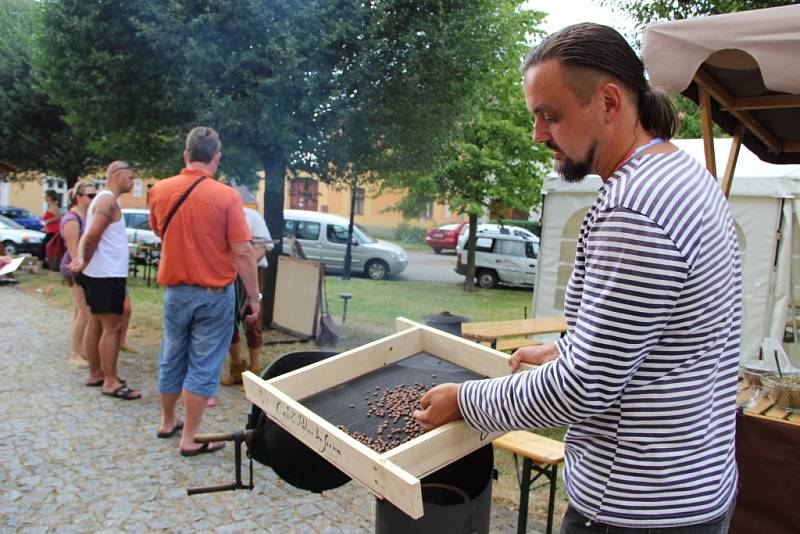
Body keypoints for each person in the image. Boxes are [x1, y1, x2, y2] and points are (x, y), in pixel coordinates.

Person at [414, 23, 742, 533]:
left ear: (609, 102)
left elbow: (583, 390)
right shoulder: (683, 175)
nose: (539, 134)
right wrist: (568, 350)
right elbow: (663, 340)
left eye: (551, 115)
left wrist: (466, 401)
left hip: (635, 509)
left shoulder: (634, 209)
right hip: (694, 489)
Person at [149, 126, 260, 456]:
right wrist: (254, 298)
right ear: (217, 158)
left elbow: (160, 232)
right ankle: (190, 439)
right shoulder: (227, 196)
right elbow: (242, 251)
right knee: (203, 363)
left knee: (172, 355)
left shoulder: (159, 190)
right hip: (214, 293)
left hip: (174, 290)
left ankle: (168, 421)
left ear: (186, 155)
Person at [70, 161, 140, 400]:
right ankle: (110, 381)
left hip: (99, 274)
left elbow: (88, 235)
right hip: (106, 275)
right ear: (117, 175)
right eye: (130, 178)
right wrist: (84, 262)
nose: (133, 182)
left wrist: (82, 260)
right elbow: (92, 235)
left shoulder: (102, 200)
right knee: (112, 327)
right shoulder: (108, 201)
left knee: (97, 324)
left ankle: (96, 373)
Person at [209, 204, 272, 407]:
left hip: (251, 272)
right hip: (226, 275)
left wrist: (245, 264)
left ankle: (254, 370)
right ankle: (236, 368)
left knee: (252, 320)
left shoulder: (252, 217)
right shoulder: (218, 216)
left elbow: (264, 245)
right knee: (228, 319)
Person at [60, 180, 96, 367]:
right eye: (90, 195)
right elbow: (73, 250)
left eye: (95, 195)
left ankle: (79, 350)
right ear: (78, 197)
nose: (93, 198)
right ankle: (75, 353)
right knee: (85, 312)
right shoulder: (72, 219)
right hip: (73, 270)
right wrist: (81, 270)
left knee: (79, 311)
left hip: (80, 268)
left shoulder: (85, 217)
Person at [42, 189, 62, 267]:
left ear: (50, 197)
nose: (45, 197)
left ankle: (43, 263)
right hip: (49, 230)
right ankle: (45, 262)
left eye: (46, 196)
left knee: (44, 246)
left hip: (53, 231)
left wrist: (49, 221)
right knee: (44, 247)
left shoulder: (54, 206)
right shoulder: (49, 206)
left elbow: (58, 217)